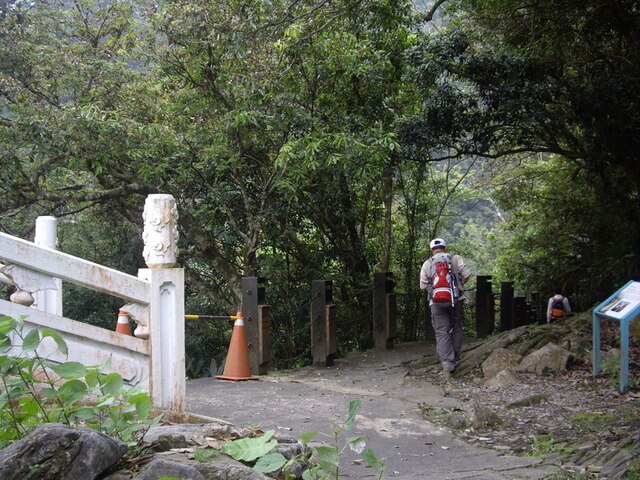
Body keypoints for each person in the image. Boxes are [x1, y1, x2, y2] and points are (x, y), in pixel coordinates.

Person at [419, 238, 472, 376]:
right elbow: (466, 275)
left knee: (442, 332)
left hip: (436, 303)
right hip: (456, 300)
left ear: (431, 250)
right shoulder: (455, 258)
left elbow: (423, 286)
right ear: (445, 248)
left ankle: (447, 363)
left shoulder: (428, 263)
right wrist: (458, 285)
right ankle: (455, 356)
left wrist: (435, 291)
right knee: (456, 328)